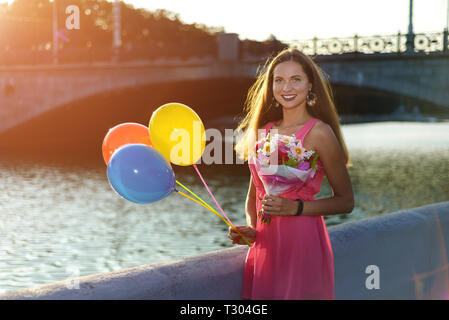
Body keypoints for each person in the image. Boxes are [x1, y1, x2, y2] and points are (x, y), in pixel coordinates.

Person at [229, 47, 354, 300]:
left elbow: (346, 201)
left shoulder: (319, 133)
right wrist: (252, 229)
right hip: (266, 247)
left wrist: (295, 208)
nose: (286, 87)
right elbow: (256, 192)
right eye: (279, 80)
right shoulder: (264, 130)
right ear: (271, 86)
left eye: (295, 79)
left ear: (310, 86)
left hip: (302, 244)